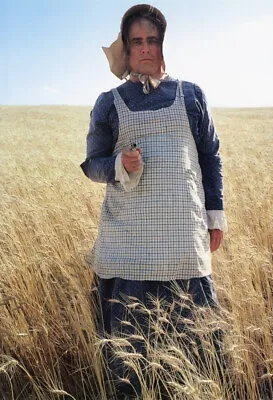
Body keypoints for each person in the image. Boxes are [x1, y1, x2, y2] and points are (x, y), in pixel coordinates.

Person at [81, 4, 228, 399]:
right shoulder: (109, 102)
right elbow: (91, 165)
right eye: (136, 42)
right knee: (131, 361)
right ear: (126, 50)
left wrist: (215, 215)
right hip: (128, 243)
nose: (145, 48)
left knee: (193, 356)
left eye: (152, 40)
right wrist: (118, 164)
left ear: (163, 44)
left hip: (183, 238)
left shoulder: (191, 95)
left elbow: (210, 155)